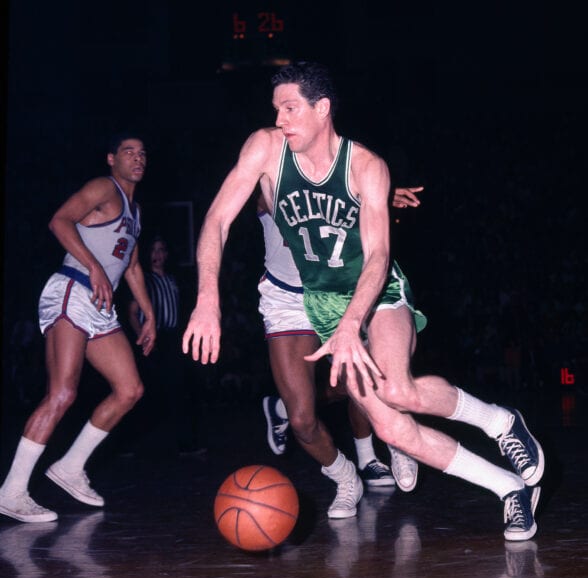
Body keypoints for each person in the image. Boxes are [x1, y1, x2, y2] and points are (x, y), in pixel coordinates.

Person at [182, 62, 544, 541]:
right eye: (277, 110)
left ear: (322, 109)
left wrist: (353, 324)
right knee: (392, 429)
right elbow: (216, 220)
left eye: (291, 109)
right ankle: (509, 489)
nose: (281, 119)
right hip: (323, 304)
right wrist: (207, 298)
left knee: (398, 389)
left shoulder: (368, 166)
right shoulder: (266, 148)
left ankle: (502, 422)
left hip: (376, 294)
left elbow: (378, 257)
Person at [0, 133, 156, 523]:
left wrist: (149, 312)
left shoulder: (135, 211)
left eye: (142, 153)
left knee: (130, 389)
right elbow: (59, 221)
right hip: (72, 288)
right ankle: (12, 491)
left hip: (100, 303)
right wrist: (93, 266)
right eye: (128, 152)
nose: (137, 159)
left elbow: (133, 265)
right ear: (111, 158)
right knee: (63, 393)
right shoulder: (103, 187)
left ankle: (70, 467)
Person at [258, 187, 421, 493]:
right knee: (302, 420)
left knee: (368, 377)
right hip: (289, 302)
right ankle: (345, 478)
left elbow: (345, 193)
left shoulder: (329, 170)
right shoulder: (267, 175)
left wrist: (375, 195)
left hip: (336, 291)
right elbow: (278, 200)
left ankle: (374, 455)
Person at [127, 235, 200, 455]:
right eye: (154, 251)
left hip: (171, 338)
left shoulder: (172, 280)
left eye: (162, 250)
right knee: (141, 392)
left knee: (178, 390)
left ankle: (185, 444)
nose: (158, 255)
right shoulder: (144, 280)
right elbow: (131, 312)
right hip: (150, 339)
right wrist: (143, 337)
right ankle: (126, 443)